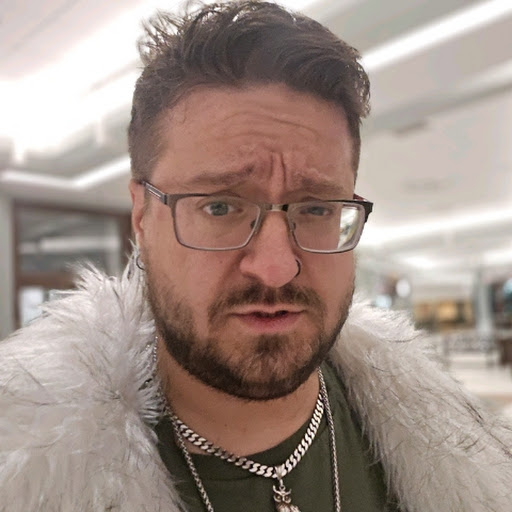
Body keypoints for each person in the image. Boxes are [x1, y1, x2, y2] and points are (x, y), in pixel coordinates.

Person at [1, 1, 511, 511]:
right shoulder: (30, 479)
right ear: (142, 215)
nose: (276, 267)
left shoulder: (463, 456)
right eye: (220, 206)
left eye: (316, 208)